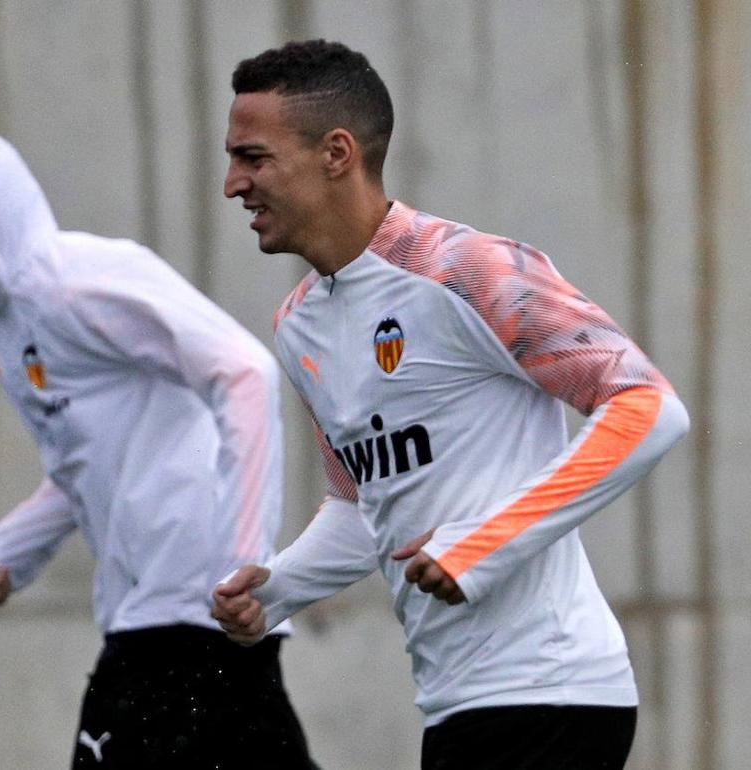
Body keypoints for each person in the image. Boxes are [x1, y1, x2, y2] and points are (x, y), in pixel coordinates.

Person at [211, 39, 689, 769]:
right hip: (459, 706)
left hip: (555, 692)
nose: (232, 184)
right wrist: (278, 590)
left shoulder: (468, 271)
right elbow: (359, 504)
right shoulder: (299, 323)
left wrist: (483, 545)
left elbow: (647, 407)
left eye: (253, 157)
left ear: (336, 152)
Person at [0, 109, 318, 769]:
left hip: (184, 620)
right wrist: (11, 548)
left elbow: (244, 374)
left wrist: (243, 564)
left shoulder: (75, 281)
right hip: (171, 621)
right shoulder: (7, 322)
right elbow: (86, 465)